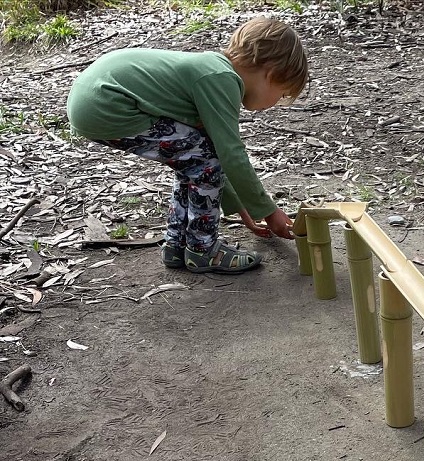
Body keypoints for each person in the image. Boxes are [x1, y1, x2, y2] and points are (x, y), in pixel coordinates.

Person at [66, 17, 307, 274]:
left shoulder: (212, 71)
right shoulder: (221, 77)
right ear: (271, 74)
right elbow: (230, 154)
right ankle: (203, 250)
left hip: (93, 102)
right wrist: (268, 211)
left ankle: (177, 244)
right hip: (110, 104)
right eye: (282, 94)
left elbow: (206, 154)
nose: (276, 102)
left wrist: (240, 208)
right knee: (206, 162)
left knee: (194, 161)